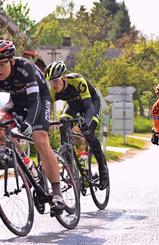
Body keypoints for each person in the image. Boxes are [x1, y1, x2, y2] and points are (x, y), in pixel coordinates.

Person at [0, 40, 65, 211]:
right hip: (16, 101)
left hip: (39, 99)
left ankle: (57, 193)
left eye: (2, 65)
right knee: (1, 126)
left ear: (11, 61)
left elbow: (34, 101)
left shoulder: (25, 67)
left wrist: (29, 122)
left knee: (39, 138)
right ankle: (28, 164)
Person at [44, 60, 109, 190]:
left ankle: (103, 171)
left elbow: (89, 107)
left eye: (56, 80)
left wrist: (86, 122)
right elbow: (47, 111)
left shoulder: (77, 80)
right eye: (51, 81)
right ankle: (71, 167)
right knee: (63, 121)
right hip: (73, 106)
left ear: (63, 77)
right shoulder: (53, 91)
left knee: (88, 133)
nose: (54, 85)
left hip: (90, 104)